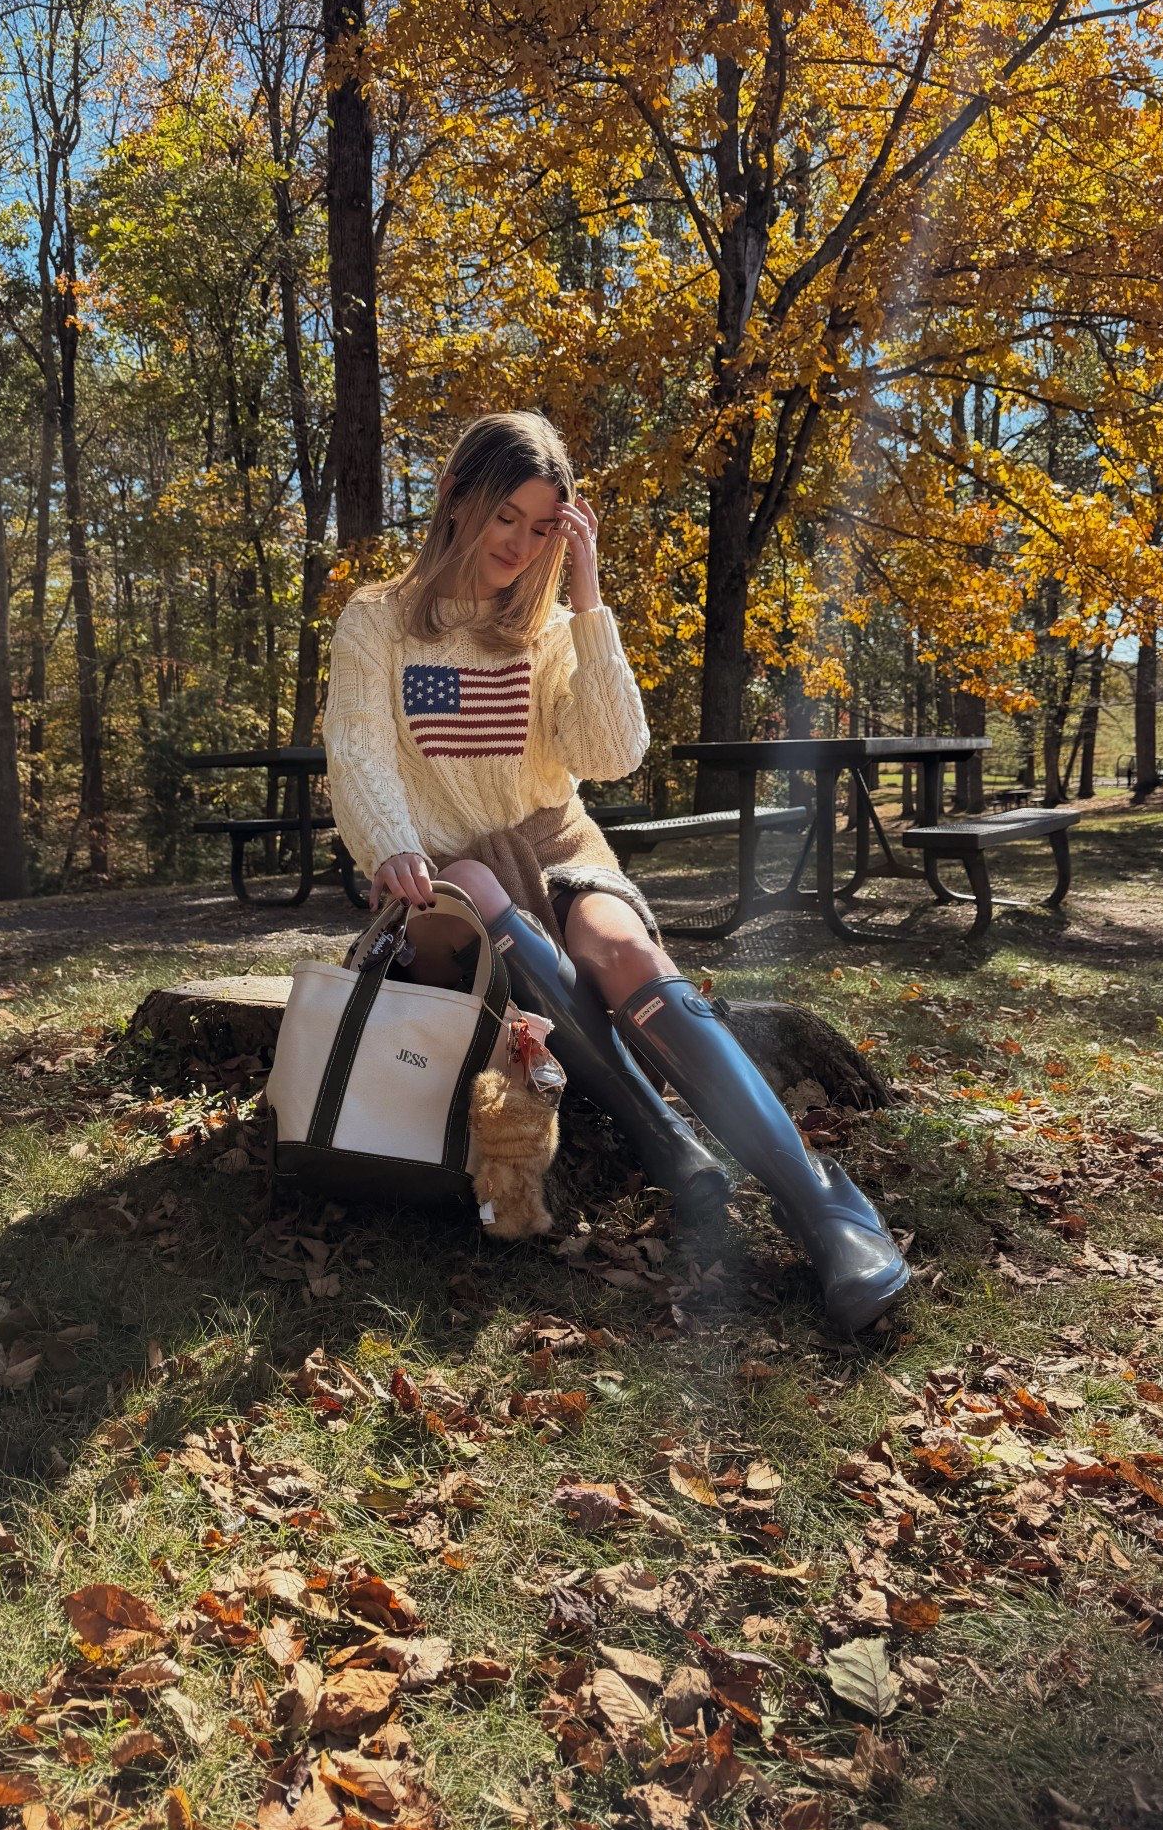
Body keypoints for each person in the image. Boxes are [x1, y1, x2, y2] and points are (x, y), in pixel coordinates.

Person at [323, 409, 908, 1332]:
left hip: (555, 842)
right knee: (475, 882)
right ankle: (665, 1140)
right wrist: (391, 841)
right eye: (505, 516)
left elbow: (611, 753)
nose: (519, 544)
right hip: (436, 875)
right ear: (457, 497)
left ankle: (825, 1206)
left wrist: (588, 601)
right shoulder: (379, 622)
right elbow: (357, 749)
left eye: (541, 527)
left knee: (624, 950)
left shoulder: (550, 629)